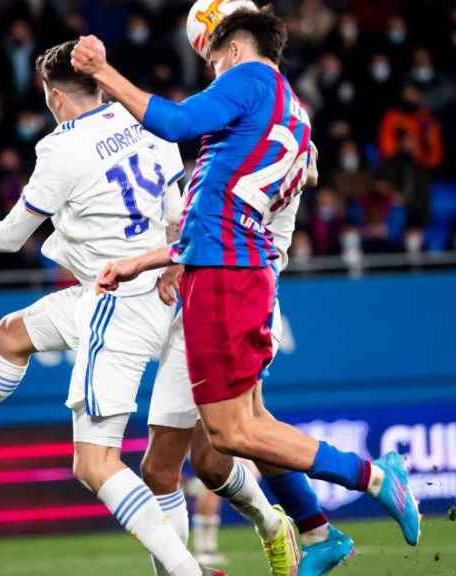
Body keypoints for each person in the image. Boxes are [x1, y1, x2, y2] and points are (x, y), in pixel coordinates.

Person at [0, 40, 246, 576]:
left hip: (114, 303)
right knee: (12, 332)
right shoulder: (141, 115)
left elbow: (9, 237)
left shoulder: (59, 149)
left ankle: (187, 572)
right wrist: (173, 261)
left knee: (94, 464)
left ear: (54, 96)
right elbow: (177, 206)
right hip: (163, 289)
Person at [74, 8, 420, 547]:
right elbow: (220, 205)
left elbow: (175, 123)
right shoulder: (294, 111)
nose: (212, 73)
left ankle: (374, 478)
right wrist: (143, 263)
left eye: (211, 58)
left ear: (232, 48)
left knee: (231, 433)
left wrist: (103, 72)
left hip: (226, 274)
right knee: (237, 433)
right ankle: (317, 532)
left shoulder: (247, 78)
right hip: (239, 269)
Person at [142, 140, 356, 575]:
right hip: (192, 311)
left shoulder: (263, 161)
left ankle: (363, 483)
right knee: (174, 466)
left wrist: (168, 255)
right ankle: (281, 524)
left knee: (232, 439)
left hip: (238, 306)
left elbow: (305, 165)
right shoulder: (217, 163)